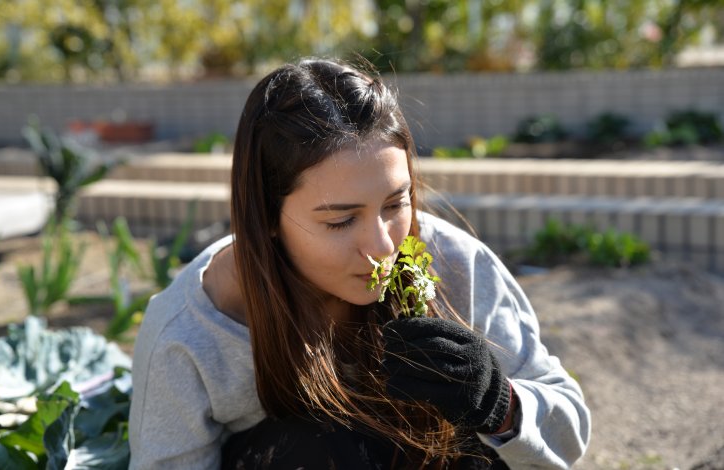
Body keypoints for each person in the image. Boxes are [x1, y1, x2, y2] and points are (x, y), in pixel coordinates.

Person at [128, 57, 590, 469]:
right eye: (342, 220)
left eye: (395, 204)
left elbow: (569, 434)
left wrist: (500, 404)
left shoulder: (455, 264)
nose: (382, 246)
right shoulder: (188, 334)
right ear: (266, 215)